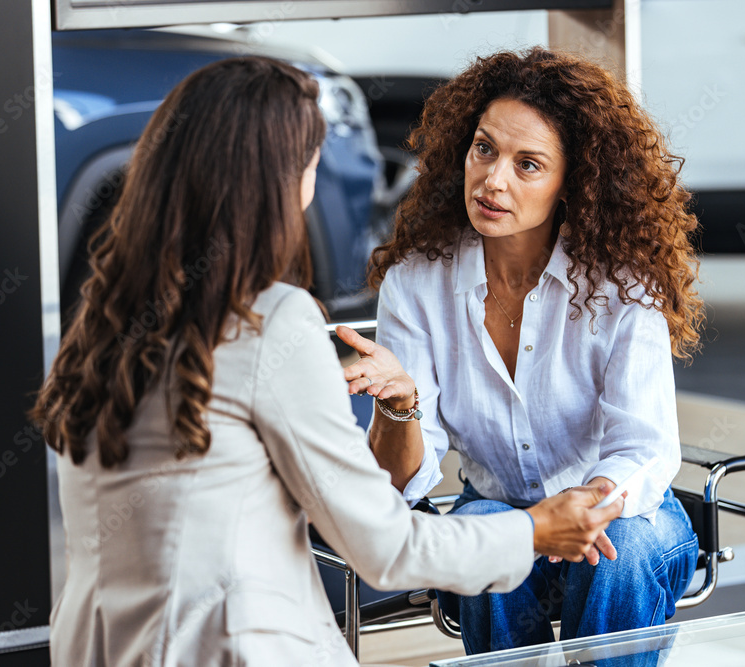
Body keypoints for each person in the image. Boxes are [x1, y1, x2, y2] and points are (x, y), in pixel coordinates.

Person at [32, 56, 626, 667]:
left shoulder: (105, 318)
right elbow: (385, 547)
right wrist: (534, 530)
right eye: (312, 165)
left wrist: (401, 413)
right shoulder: (270, 323)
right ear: (281, 180)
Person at [337, 47, 705, 656]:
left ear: (573, 183)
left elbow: (643, 447)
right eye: (484, 148)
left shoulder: (622, 286)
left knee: (625, 552)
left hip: (620, 518)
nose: (493, 179)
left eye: (528, 164)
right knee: (483, 531)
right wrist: (399, 404)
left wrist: (583, 509)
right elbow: (398, 479)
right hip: (501, 515)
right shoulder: (417, 281)